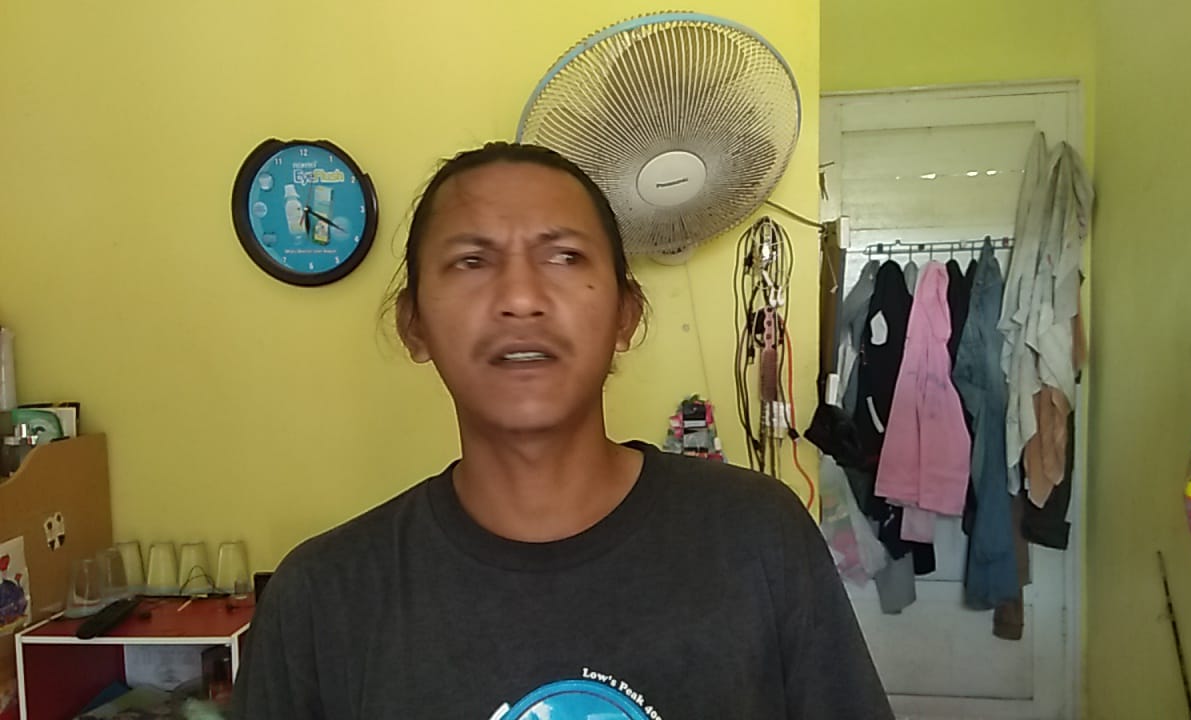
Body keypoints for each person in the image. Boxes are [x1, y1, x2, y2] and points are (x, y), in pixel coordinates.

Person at [232, 142, 892, 719]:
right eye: (471, 261)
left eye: (565, 256)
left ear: (626, 314)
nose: (520, 298)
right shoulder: (321, 598)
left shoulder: (759, 538)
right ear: (415, 325)